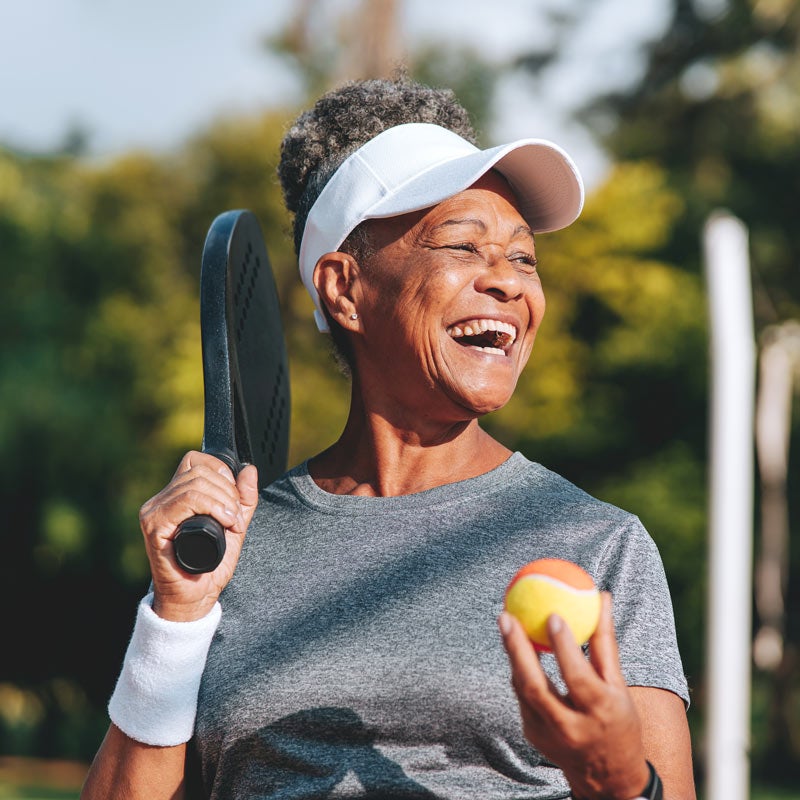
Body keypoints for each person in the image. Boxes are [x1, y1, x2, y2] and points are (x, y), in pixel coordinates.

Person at [81, 77, 695, 800]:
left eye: (524, 257)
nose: (508, 282)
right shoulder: (227, 546)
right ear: (343, 288)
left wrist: (617, 775)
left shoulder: (598, 544)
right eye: (464, 246)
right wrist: (175, 619)